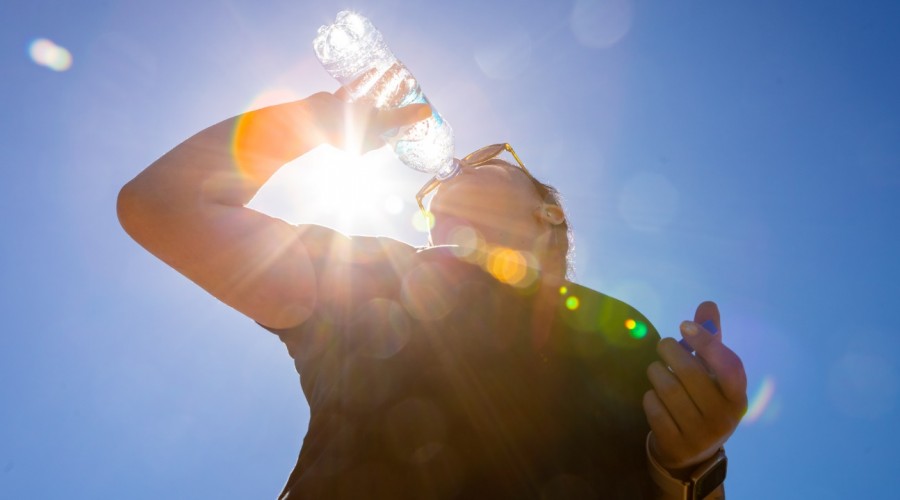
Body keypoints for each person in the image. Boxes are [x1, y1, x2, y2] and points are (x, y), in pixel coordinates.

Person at [118, 90, 747, 499]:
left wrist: (690, 461)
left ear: (548, 213)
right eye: (434, 197)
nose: (454, 170)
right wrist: (311, 120)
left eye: (487, 159)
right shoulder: (375, 276)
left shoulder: (618, 326)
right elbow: (163, 207)